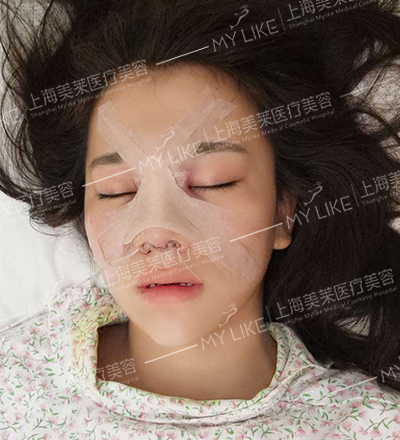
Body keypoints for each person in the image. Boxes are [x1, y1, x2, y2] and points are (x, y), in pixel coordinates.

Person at [1, 0, 400, 438]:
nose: (156, 231)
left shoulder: (370, 426)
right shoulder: (14, 380)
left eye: (213, 182)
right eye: (117, 190)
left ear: (282, 211)